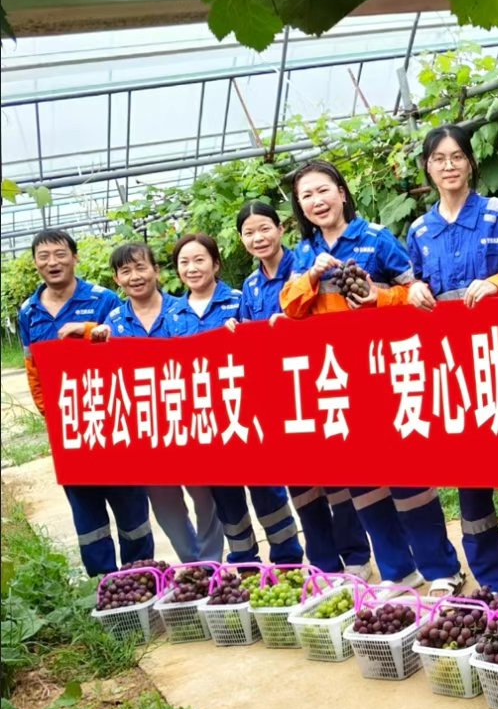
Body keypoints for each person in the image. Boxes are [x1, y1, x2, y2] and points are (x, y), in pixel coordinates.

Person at [280, 161, 466, 597]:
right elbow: (290, 306)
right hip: (336, 384)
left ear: (342, 193)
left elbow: (416, 294)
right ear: (300, 206)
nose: (317, 201)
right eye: (307, 196)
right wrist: (312, 276)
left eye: (323, 190)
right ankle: (398, 571)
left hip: (383, 376)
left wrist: (377, 297)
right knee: (363, 483)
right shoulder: (304, 254)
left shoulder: (377, 238)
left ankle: (442, 568)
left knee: (407, 478)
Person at [406, 125, 498, 611]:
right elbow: (413, 287)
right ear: (428, 168)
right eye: (438, 159)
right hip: (452, 368)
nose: (448, 166)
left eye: (457, 157)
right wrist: (413, 291)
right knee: (470, 475)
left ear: (470, 163)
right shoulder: (419, 230)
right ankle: (492, 579)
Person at [226, 200, 375, 579]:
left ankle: (355, 556)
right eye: (249, 233)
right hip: (278, 395)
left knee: (336, 477)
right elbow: (249, 336)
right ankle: (324, 562)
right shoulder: (250, 286)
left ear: (280, 229)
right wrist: (235, 329)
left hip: (317, 385)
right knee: (301, 485)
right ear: (242, 240)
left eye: (265, 228)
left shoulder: (305, 264)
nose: (258, 238)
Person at [17, 229, 154, 576]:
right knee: (86, 511)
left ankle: (142, 576)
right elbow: (33, 370)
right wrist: (53, 415)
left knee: (130, 505)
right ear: (35, 263)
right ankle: (103, 583)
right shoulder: (29, 312)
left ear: (75, 258)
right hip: (69, 431)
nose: (53, 262)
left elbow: (126, 349)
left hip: (114, 424)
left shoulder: (103, 299)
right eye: (44, 256)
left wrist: (90, 330)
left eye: (60, 254)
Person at [170, 232, 304, 566]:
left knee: (267, 488)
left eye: (199, 260)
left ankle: (287, 559)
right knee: (226, 497)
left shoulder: (236, 299)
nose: (192, 268)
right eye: (184, 262)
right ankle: (245, 562)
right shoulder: (172, 315)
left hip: (247, 412)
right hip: (205, 420)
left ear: (215, 264)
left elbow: (261, 343)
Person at [91, 242, 225, 564]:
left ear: (156, 270)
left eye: (141, 267)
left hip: (189, 422)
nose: (135, 276)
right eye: (126, 271)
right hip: (146, 432)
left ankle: (211, 564)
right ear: (116, 279)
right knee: (166, 507)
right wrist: (90, 339)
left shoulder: (185, 310)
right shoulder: (113, 323)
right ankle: (193, 562)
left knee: (205, 497)